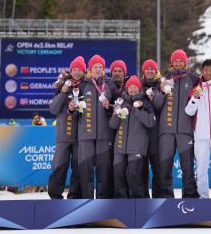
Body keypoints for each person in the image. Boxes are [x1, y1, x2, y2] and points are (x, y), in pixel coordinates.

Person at [152, 49, 200, 198]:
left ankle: (190, 195)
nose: (178, 63)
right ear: (172, 63)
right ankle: (165, 195)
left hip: (185, 130)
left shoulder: (193, 79)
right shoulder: (164, 78)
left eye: (181, 61)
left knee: (187, 167)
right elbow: (157, 105)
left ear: (185, 62)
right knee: (164, 166)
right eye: (176, 61)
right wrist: (162, 92)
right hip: (166, 131)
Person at [70, 54, 114, 199]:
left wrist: (109, 108)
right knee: (85, 170)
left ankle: (102, 201)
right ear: (90, 68)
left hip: (103, 134)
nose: (98, 69)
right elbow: (74, 112)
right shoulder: (82, 85)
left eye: (100, 67)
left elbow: (117, 109)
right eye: (95, 67)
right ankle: (86, 200)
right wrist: (72, 109)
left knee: (103, 170)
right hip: (86, 135)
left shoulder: (108, 85)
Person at [185, 59, 211, 198]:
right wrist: (195, 98)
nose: (208, 73)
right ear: (202, 71)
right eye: (206, 70)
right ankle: (203, 197)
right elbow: (189, 112)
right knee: (201, 169)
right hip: (201, 136)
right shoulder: (196, 89)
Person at [110, 75, 156, 198]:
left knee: (133, 175)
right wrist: (116, 113)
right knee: (118, 174)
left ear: (139, 88)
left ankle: (137, 203)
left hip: (137, 146)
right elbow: (113, 125)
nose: (133, 89)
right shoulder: (121, 102)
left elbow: (151, 122)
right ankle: (121, 203)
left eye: (136, 87)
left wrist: (139, 109)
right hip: (120, 147)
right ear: (127, 88)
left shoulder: (145, 103)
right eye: (131, 87)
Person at [47, 56, 84, 199]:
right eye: (74, 69)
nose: (76, 72)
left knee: (78, 168)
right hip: (63, 136)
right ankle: (55, 195)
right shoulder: (62, 85)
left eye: (79, 70)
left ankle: (74, 195)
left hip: (80, 135)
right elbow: (53, 109)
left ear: (83, 71)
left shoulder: (86, 86)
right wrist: (63, 92)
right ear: (71, 70)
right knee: (59, 166)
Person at [140, 59, 162, 197]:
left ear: (156, 71)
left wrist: (154, 97)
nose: (149, 71)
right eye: (147, 69)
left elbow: (161, 107)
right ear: (143, 72)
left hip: (157, 135)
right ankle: (142, 201)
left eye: (152, 69)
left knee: (158, 171)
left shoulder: (162, 87)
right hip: (141, 135)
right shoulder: (137, 86)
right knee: (141, 171)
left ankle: (158, 200)